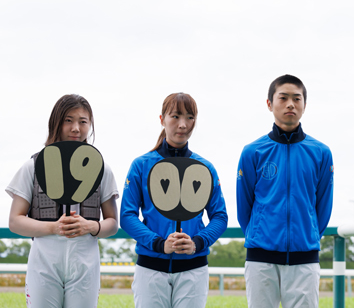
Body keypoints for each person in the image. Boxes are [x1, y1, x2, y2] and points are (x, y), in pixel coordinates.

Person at [6, 94, 119, 308]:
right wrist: (54, 227)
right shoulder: (33, 166)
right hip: (44, 261)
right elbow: (15, 221)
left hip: (85, 262)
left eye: (83, 121)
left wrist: (91, 226)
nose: (76, 128)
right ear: (56, 123)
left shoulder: (102, 169)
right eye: (68, 120)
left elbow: (112, 223)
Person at [120, 92, 228, 308]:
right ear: (162, 119)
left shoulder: (205, 167)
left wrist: (197, 242)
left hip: (193, 270)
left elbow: (220, 216)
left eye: (190, 117)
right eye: (175, 116)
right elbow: (127, 216)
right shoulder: (141, 165)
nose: (183, 124)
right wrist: (159, 244)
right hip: (150, 269)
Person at [236, 74, 334, 308]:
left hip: (305, 258)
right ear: (270, 104)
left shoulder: (321, 152)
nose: (290, 104)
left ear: (304, 105)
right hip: (261, 257)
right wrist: (260, 234)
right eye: (283, 98)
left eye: (296, 99)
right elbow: (244, 206)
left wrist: (306, 234)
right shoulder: (252, 151)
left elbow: (323, 205)